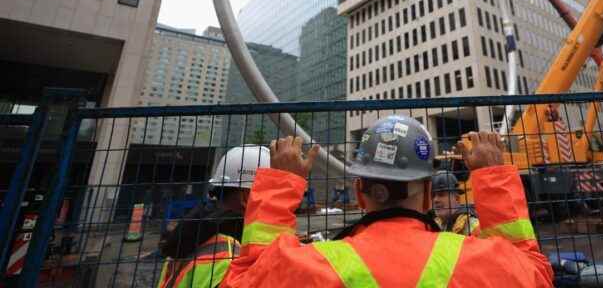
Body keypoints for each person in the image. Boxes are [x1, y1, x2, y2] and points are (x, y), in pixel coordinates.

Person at [221, 116, 553, 287]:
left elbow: (246, 279)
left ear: (358, 191)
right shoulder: (478, 260)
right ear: (426, 192)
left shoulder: (314, 265)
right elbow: (534, 273)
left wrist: (280, 184)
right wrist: (493, 176)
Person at [156, 145, 270, 288]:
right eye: (270, 194)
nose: (274, 203)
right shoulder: (232, 253)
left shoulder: (190, 234)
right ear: (245, 197)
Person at [431, 170, 479, 236]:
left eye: (441, 195)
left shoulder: (471, 226)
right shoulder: (432, 225)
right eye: (433, 196)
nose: (435, 200)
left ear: (457, 199)